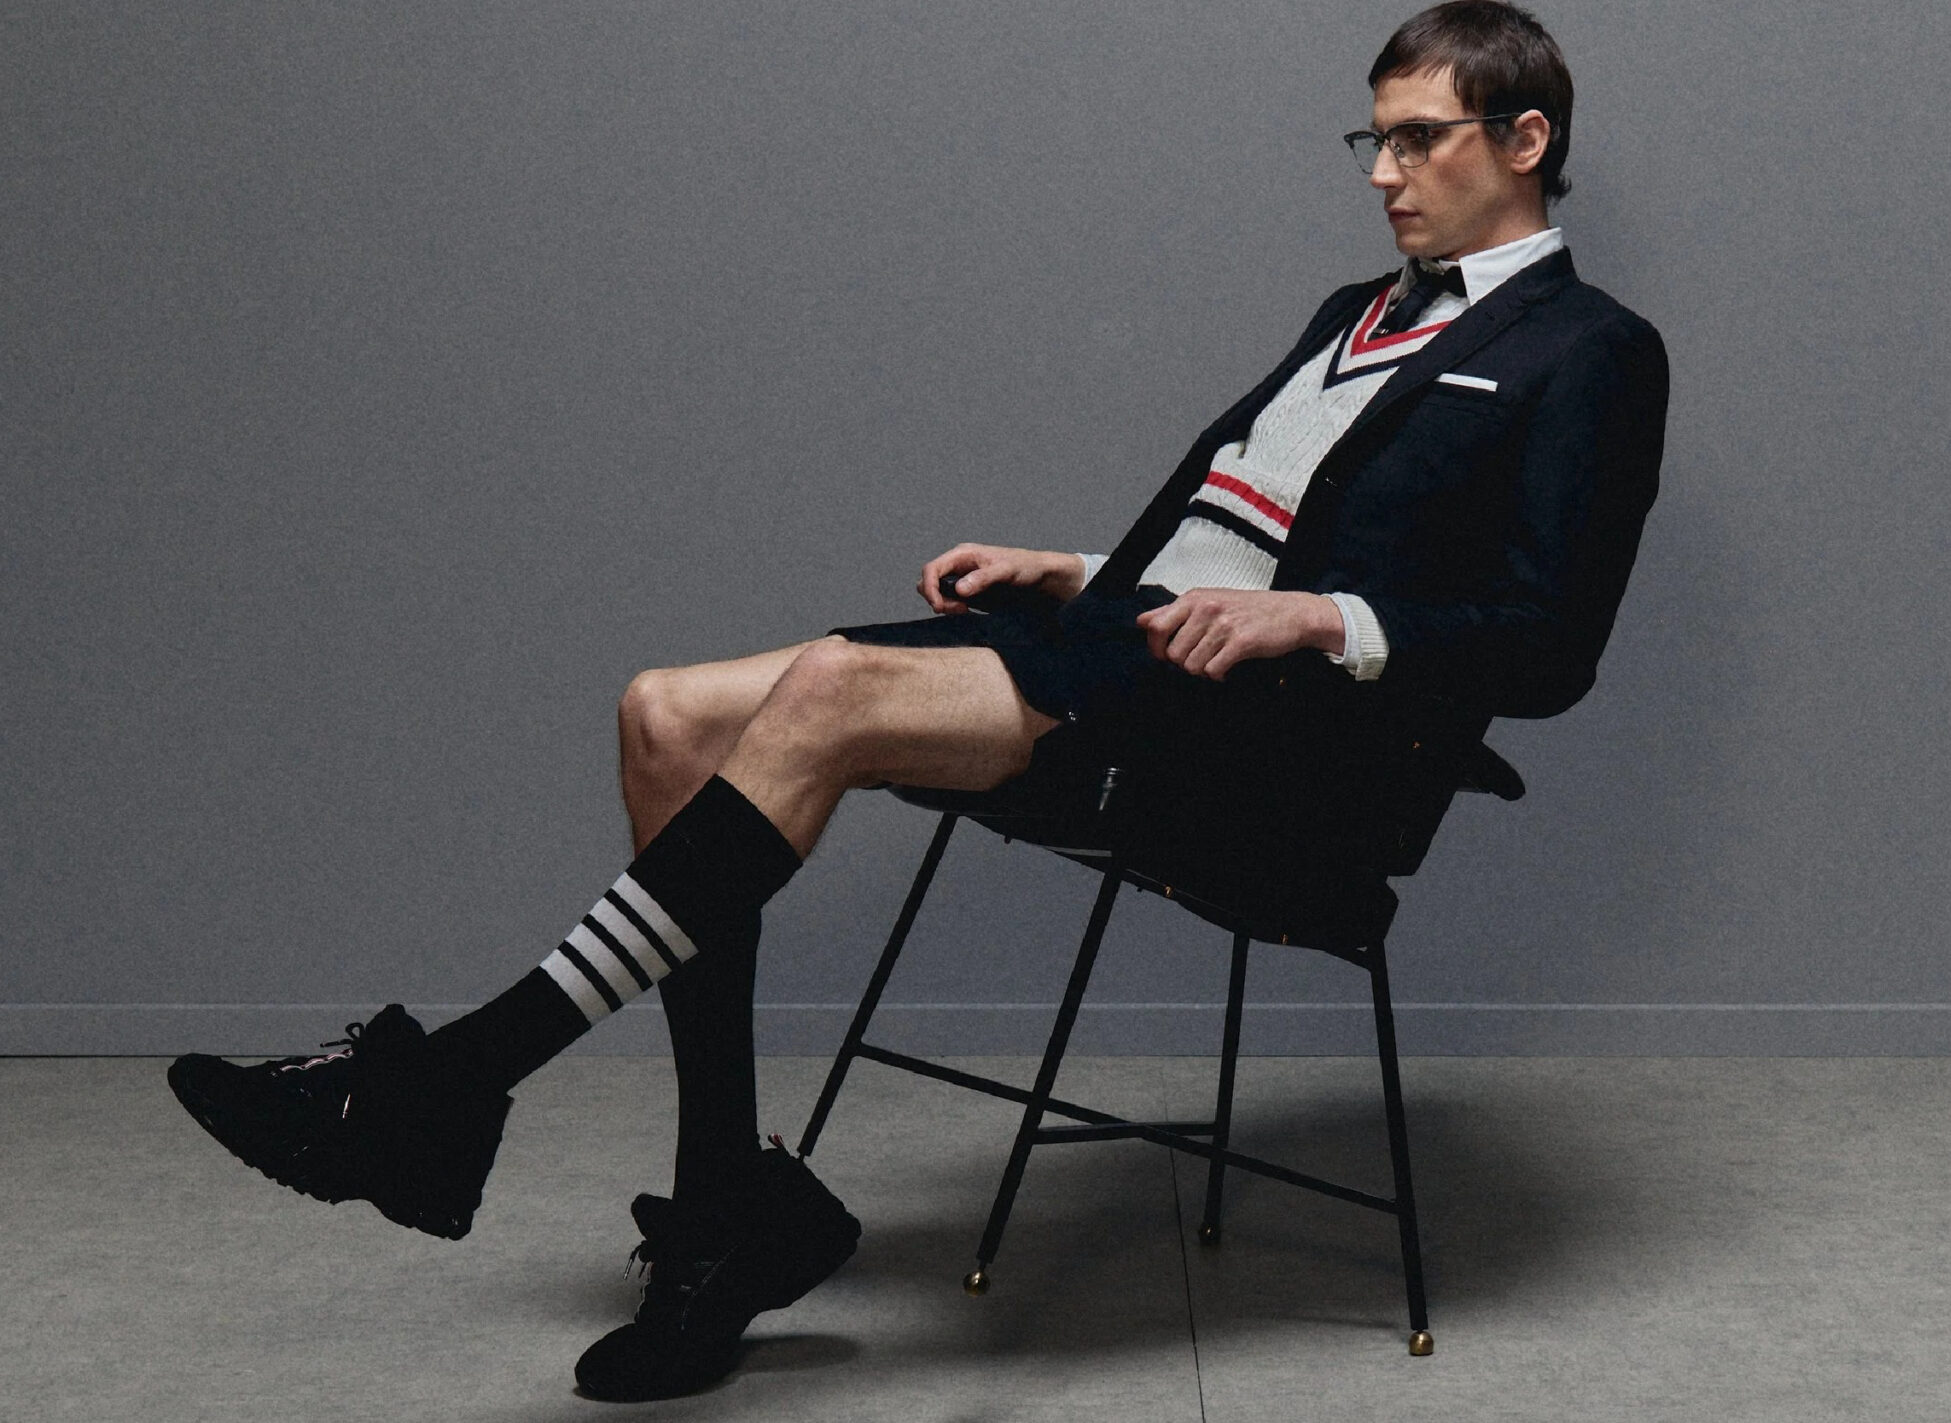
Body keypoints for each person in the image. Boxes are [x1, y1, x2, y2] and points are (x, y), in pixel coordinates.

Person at [167, 0, 1667, 1403]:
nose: (1385, 174)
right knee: (665, 715)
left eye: (1420, 139)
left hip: (1279, 737)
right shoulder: (1357, 309)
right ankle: (723, 1208)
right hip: (1130, 650)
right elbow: (1245, 533)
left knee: (827, 691)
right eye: (1375, 141)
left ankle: (445, 1088)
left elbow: (1551, 647)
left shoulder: (1590, 353)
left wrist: (1321, 619)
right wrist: (1078, 568)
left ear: (1524, 140)